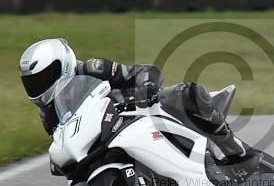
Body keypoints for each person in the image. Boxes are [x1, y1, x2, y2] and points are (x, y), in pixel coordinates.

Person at [19, 38, 259, 172]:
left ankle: (239, 153)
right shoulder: (50, 116)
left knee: (191, 94)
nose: (40, 86)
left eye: (44, 77)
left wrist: (145, 91)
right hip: (112, 144)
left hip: (144, 112)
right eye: (33, 82)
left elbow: (145, 71)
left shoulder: (93, 69)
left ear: (64, 65)